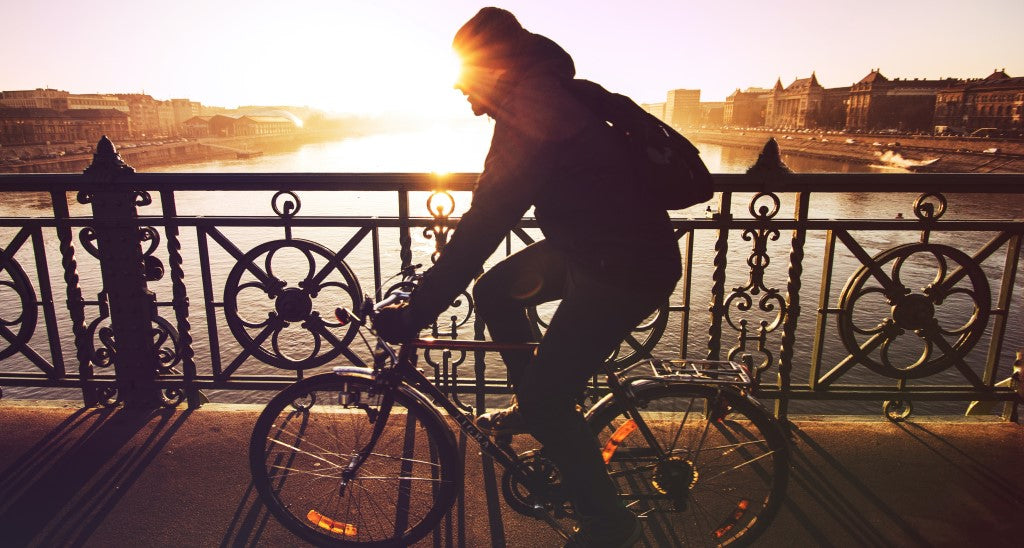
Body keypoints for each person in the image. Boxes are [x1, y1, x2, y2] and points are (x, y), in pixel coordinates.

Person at [374, 7, 681, 547]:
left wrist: (419, 310)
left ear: (492, 69)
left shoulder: (534, 107)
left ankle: (609, 523)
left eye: (465, 86)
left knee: (549, 399)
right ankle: (535, 405)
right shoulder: (547, 91)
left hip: (624, 267)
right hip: (596, 250)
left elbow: (488, 219)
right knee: (494, 291)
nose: (468, 104)